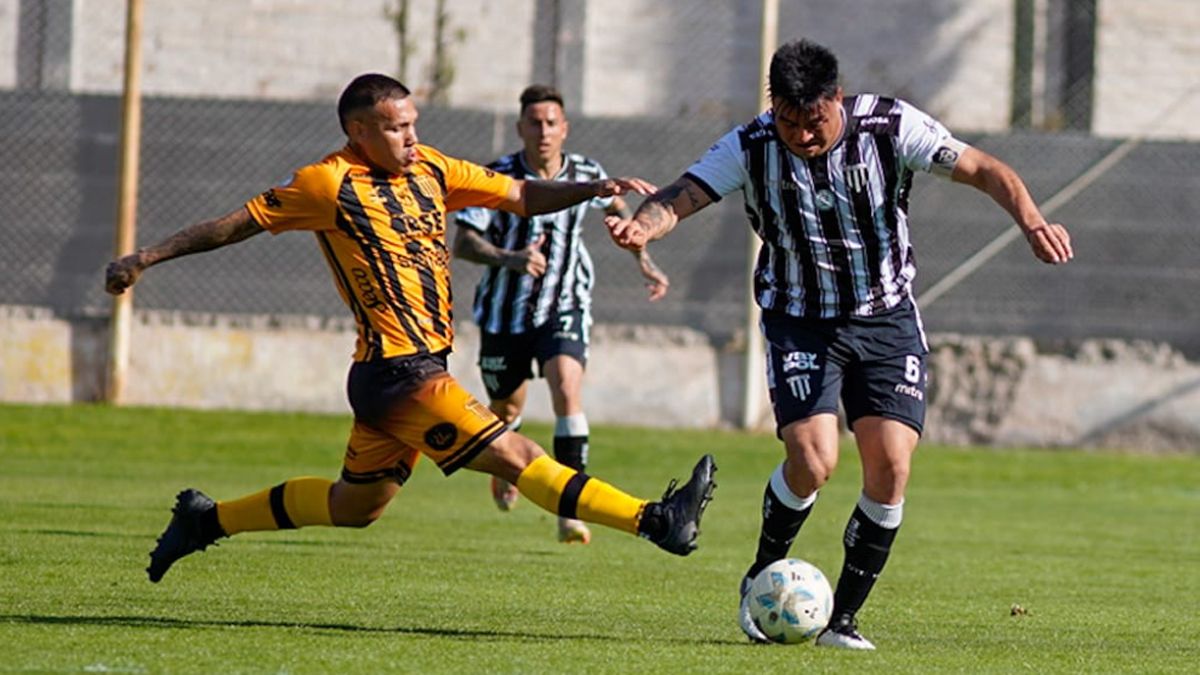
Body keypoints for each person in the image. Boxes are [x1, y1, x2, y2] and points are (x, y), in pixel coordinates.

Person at [104, 73, 716, 585]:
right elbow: (232, 224)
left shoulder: (433, 170)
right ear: (358, 131)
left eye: (414, 123)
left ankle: (207, 520)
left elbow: (521, 194)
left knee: (354, 507)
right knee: (515, 452)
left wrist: (592, 188)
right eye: (397, 128)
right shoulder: (326, 184)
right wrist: (143, 259)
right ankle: (657, 520)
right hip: (401, 374)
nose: (411, 137)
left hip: (404, 374)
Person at [607, 40, 1072, 649]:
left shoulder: (890, 126)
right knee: (814, 461)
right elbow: (680, 196)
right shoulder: (751, 146)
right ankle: (760, 575)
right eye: (789, 121)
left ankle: (843, 621)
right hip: (800, 320)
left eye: (815, 121)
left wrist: (1032, 220)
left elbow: (985, 167)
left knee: (891, 467)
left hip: (885, 320)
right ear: (774, 107)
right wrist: (643, 226)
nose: (801, 135)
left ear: (837, 98)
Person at [452, 84, 670, 545]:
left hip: (565, 304)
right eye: (534, 122)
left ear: (565, 128)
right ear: (520, 128)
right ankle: (505, 463)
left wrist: (643, 258)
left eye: (552, 122)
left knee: (567, 389)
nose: (544, 130)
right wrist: (511, 258)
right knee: (506, 408)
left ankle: (571, 510)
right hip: (502, 314)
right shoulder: (496, 176)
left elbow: (618, 207)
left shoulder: (587, 173)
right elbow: (464, 243)